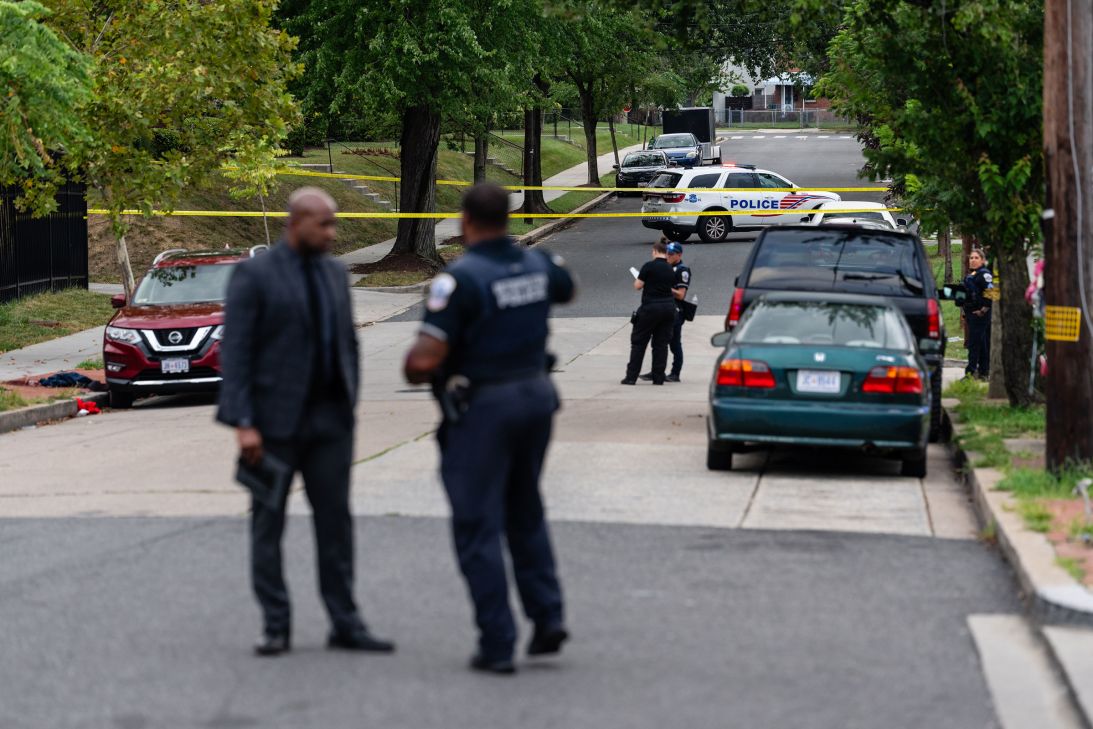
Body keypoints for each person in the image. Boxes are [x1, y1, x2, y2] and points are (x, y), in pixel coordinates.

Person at [403, 182, 575, 676]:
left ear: (466, 221)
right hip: (535, 397)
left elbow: (423, 361)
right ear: (507, 217)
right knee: (525, 510)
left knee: (477, 524)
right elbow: (568, 288)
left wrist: (420, 364)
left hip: (485, 408)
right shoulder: (536, 263)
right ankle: (547, 616)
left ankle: (498, 643)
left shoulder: (461, 278)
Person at [217, 187, 395, 657]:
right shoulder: (255, 275)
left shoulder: (335, 273)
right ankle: (275, 625)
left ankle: (345, 622)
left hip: (330, 423)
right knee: (268, 525)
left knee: (336, 524)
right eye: (325, 224)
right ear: (296, 223)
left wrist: (349, 402)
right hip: (272, 425)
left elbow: (347, 343)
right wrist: (244, 423)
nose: (333, 233)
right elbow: (236, 352)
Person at [622, 240, 677, 385]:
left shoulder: (648, 266)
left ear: (655, 251)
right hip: (668, 308)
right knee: (661, 344)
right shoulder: (670, 268)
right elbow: (671, 286)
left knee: (639, 342)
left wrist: (645, 280)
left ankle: (631, 377)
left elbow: (638, 285)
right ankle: (658, 378)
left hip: (650, 308)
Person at [640, 241, 691, 383]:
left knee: (674, 343)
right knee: (658, 342)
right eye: (667, 253)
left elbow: (681, 295)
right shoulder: (665, 267)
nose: (668, 256)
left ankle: (675, 373)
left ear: (679, 255)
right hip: (662, 309)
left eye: (671, 254)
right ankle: (656, 371)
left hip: (675, 311)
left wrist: (662, 287)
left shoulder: (682, 270)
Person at [963, 248, 993, 380]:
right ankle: (984, 372)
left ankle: (970, 373)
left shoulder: (984, 274)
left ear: (983, 260)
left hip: (980, 316)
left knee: (974, 344)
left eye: (976, 258)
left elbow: (991, 293)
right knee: (982, 344)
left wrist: (983, 310)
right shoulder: (973, 274)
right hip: (971, 314)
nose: (973, 260)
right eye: (971, 258)